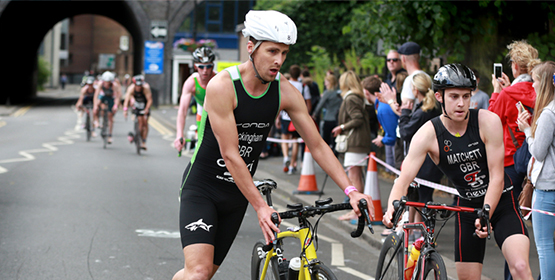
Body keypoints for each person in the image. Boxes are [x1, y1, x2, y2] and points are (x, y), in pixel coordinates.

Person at [172, 10, 374, 280]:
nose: (279, 60)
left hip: (236, 195)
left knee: (203, 274)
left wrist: (351, 191)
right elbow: (231, 155)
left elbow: (317, 145)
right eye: (272, 51)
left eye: (284, 53)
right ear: (251, 47)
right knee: (198, 272)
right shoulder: (223, 86)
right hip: (203, 188)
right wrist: (260, 206)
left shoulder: (284, 91)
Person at [383, 63, 533, 280]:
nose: (462, 103)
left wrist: (487, 213)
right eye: (454, 96)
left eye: (466, 96)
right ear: (439, 96)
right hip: (467, 209)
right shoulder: (428, 134)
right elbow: (403, 179)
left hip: (501, 203)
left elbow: (497, 176)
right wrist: (391, 210)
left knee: (519, 267)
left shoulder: (487, 121)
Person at [517, 61, 555, 280]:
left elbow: (539, 152)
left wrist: (527, 130)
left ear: (545, 84)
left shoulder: (549, 113)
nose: (532, 86)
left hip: (547, 188)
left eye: (535, 81)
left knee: (544, 246)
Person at [489, 40, 538, 197]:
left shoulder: (508, 93)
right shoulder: (541, 91)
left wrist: (497, 92)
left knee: (509, 211)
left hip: (511, 161)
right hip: (536, 160)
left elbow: (489, 122)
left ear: (515, 66)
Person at [332, 70, 373, 221]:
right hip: (359, 140)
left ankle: (355, 211)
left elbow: (357, 118)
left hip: (355, 141)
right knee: (356, 175)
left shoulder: (351, 98)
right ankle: (357, 210)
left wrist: (341, 127)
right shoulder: (358, 97)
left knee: (354, 176)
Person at [173, 47, 217, 152]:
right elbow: (182, 111)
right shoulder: (191, 83)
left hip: (217, 110)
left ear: (213, 66)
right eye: (201, 67)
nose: (205, 71)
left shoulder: (219, 80)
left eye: (208, 66)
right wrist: (179, 134)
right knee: (201, 143)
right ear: (195, 67)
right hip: (202, 109)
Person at [275, 64, 311, 174]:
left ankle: (286, 157)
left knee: (284, 138)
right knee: (295, 141)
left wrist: (277, 117)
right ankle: (292, 165)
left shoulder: (284, 85)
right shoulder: (304, 86)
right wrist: (306, 116)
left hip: (285, 116)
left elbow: (279, 102)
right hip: (297, 117)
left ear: (290, 73)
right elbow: (308, 104)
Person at [365, 76, 398, 169]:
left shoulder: (383, 108)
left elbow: (392, 133)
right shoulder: (379, 104)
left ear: (366, 92)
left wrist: (383, 140)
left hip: (395, 145)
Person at [312, 74, 342, 151]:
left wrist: (315, 114)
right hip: (338, 119)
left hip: (328, 118)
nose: (325, 83)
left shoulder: (327, 92)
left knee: (326, 140)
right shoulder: (340, 93)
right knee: (335, 140)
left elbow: (320, 105)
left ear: (330, 82)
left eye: (326, 82)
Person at [123, 75, 153, 150]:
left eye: (140, 85)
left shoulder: (145, 88)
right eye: (137, 85)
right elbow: (126, 100)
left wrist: (146, 109)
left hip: (144, 106)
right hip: (136, 105)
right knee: (140, 122)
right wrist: (125, 110)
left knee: (145, 123)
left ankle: (143, 141)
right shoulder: (131, 89)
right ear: (134, 84)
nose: (139, 87)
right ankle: (136, 136)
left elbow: (150, 100)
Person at [93, 71, 121, 144]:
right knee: (98, 104)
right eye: (105, 82)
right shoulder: (100, 84)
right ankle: (98, 120)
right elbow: (96, 95)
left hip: (111, 97)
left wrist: (115, 106)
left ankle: (110, 136)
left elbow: (117, 97)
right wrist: (95, 106)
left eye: (108, 82)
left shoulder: (114, 85)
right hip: (103, 96)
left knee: (110, 116)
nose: (106, 84)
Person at [398, 42, 428, 107]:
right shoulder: (427, 77)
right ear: (419, 57)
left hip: (415, 117)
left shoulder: (410, 80)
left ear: (403, 58)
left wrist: (390, 101)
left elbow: (404, 112)